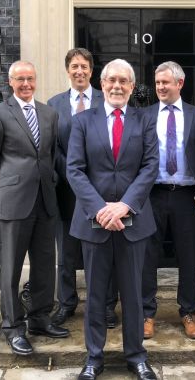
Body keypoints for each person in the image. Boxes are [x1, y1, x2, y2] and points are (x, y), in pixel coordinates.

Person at [67, 59, 159, 380]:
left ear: (132, 87)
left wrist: (124, 206)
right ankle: (94, 357)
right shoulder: (82, 121)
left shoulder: (144, 120)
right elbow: (75, 169)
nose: (117, 86)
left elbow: (150, 167)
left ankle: (136, 356)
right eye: (111, 81)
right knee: (94, 295)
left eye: (124, 81)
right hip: (94, 222)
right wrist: (101, 209)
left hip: (134, 221)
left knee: (133, 293)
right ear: (101, 84)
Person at [0, 61, 69, 356]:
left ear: (36, 80)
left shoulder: (49, 113)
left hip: (45, 200)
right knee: (11, 268)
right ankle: (13, 327)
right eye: (20, 79)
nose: (26, 84)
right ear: (10, 82)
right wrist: (1, 198)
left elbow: (54, 155)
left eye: (30, 78)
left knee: (45, 264)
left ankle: (40, 319)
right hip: (14, 202)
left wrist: (54, 179)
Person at [141, 61, 195, 340]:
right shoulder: (144, 115)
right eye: (157, 83)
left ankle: (188, 312)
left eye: (166, 83)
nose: (160, 87)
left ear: (179, 84)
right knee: (147, 256)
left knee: (188, 256)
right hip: (152, 195)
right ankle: (146, 314)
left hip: (187, 196)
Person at [47, 48, 118, 328]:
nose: (79, 71)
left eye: (84, 67)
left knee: (104, 250)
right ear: (67, 70)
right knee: (66, 252)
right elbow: (51, 148)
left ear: (92, 71)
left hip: (102, 190)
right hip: (67, 189)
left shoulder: (106, 99)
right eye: (74, 66)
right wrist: (73, 174)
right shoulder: (54, 105)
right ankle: (66, 304)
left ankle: (107, 306)